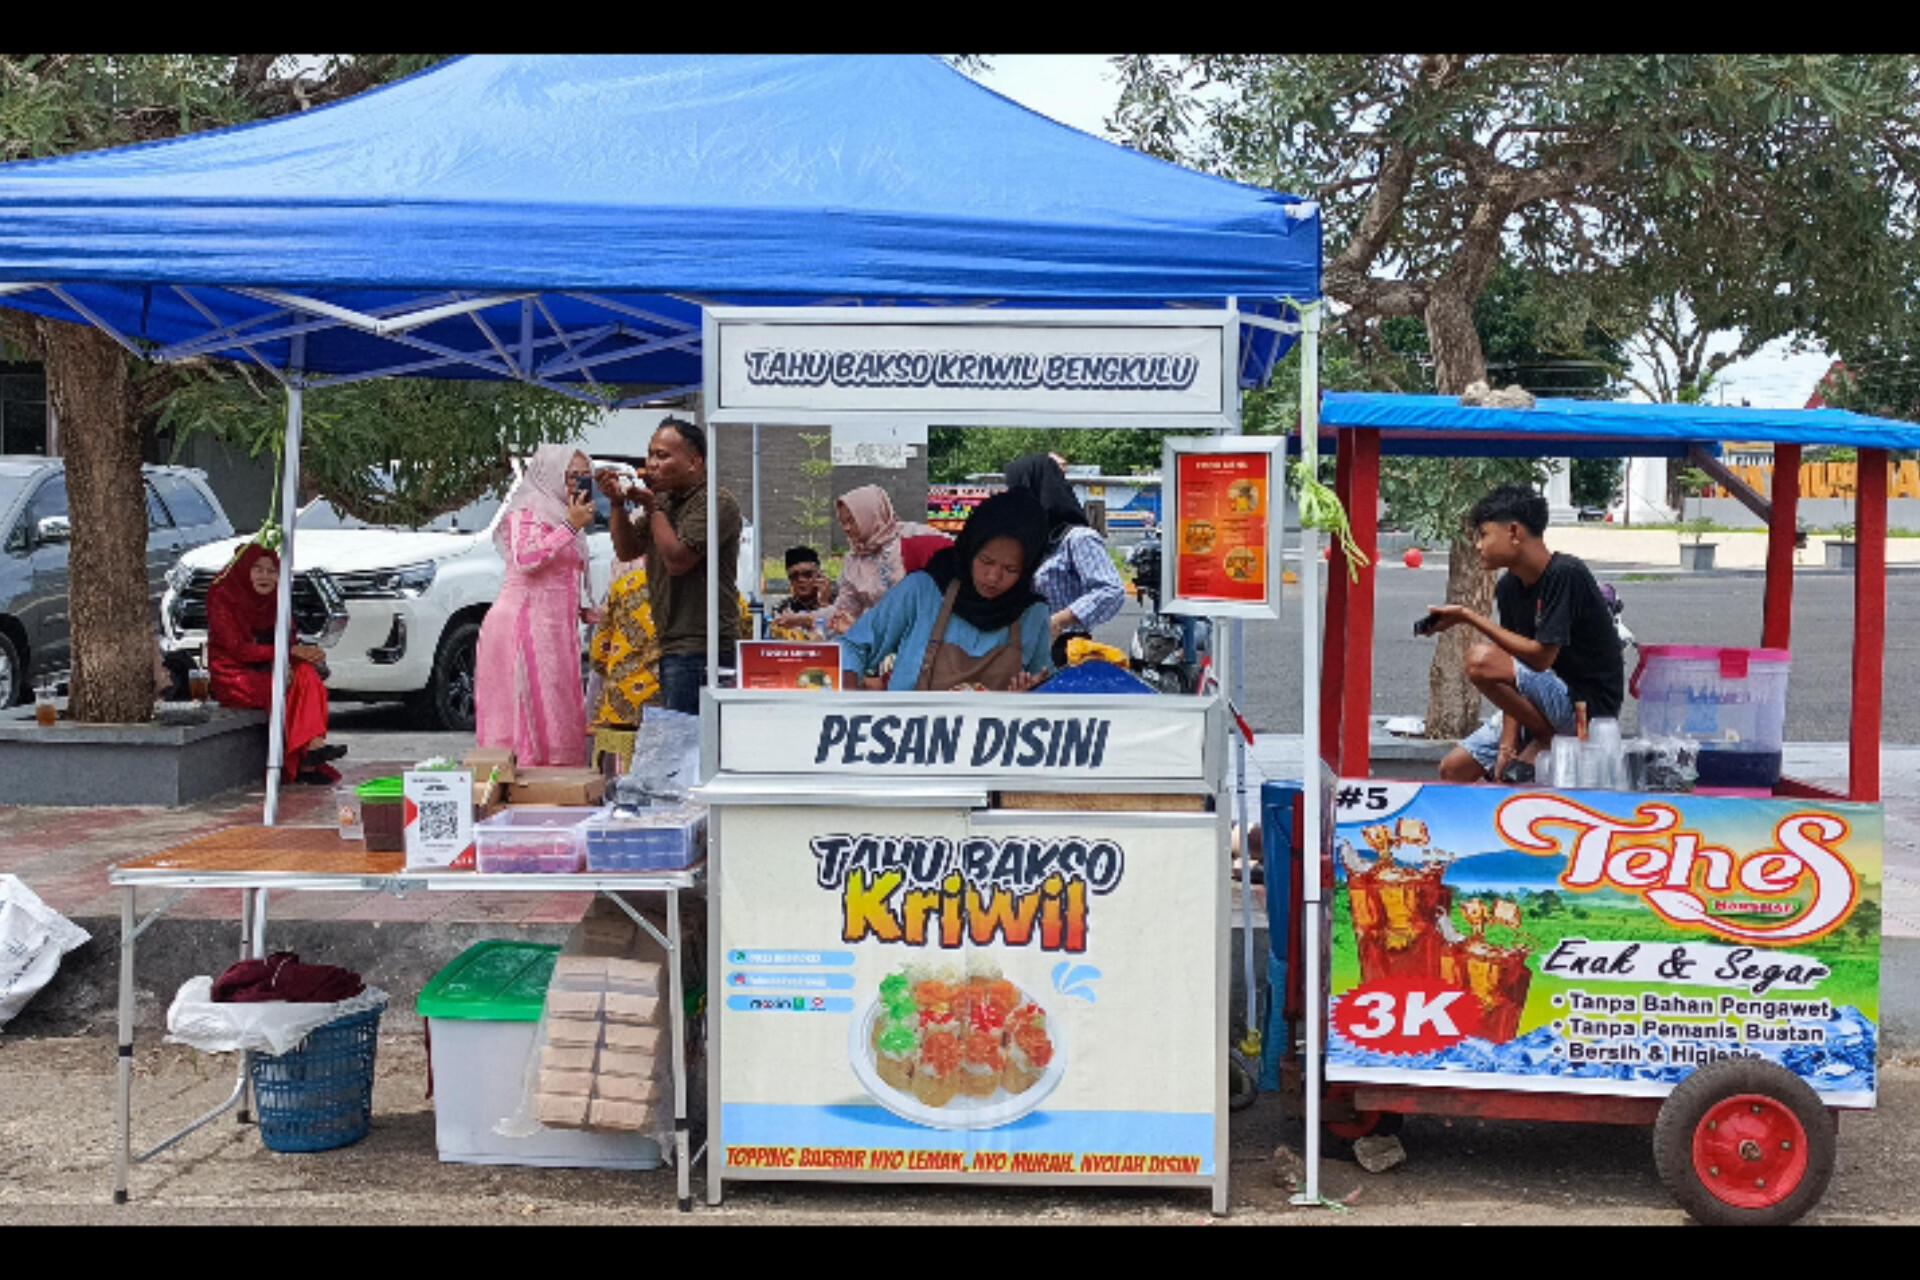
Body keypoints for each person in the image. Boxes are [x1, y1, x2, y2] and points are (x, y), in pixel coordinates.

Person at [1426, 484, 1625, 784]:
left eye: (1484, 535)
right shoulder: (1508, 587)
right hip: (1540, 701)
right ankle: (1538, 736)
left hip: (1586, 712)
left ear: (1514, 533)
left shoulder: (1565, 574)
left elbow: (1540, 658)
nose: (1478, 546)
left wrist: (1468, 616)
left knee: (1480, 660)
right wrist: (1508, 743)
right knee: (1453, 770)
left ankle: (1545, 736)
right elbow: (1511, 668)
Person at [840, 488, 1053, 693]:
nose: (993, 577)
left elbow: (1046, 683)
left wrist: (1031, 696)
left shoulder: (1032, 613)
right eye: (986, 561)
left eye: (1010, 569)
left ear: (1027, 570)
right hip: (913, 727)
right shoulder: (923, 591)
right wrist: (847, 698)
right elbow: (852, 647)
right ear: (970, 549)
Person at [601, 418, 741, 715]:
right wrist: (616, 505)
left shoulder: (717, 502)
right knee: (680, 742)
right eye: (650, 454)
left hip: (705, 645)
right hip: (672, 642)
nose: (651, 464)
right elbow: (627, 550)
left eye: (662, 456)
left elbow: (678, 561)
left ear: (694, 461)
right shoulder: (665, 500)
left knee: (691, 746)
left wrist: (653, 508)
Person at [473, 445, 599, 767]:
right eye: (572, 476)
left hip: (555, 630)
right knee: (525, 712)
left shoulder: (563, 513)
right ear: (551, 473)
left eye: (586, 477)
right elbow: (525, 559)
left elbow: (561, 576)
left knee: (556, 708)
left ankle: (557, 790)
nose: (578, 484)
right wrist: (569, 527)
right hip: (522, 625)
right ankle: (523, 790)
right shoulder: (527, 510)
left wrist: (584, 611)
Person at [205, 541, 344, 784]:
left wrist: (292, 658)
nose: (265, 576)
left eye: (271, 571)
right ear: (244, 570)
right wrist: (285, 654)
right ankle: (303, 762)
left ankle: (313, 747)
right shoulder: (223, 597)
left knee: (307, 675)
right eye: (258, 569)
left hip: (271, 666)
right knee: (284, 688)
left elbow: (288, 637)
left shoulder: (278, 598)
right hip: (234, 674)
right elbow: (237, 650)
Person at [1002, 453, 1126, 668]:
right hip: (1022, 648)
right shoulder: (1031, 541)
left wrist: (1058, 621)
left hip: (1063, 652)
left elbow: (1111, 590)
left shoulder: (1077, 539)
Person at [777, 486, 941, 638]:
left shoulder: (916, 536)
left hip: (931, 635)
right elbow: (845, 611)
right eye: (843, 523)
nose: (846, 529)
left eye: (851, 521)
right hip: (884, 643)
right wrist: (806, 619)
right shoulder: (854, 562)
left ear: (870, 514)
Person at [771, 546, 834, 618]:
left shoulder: (840, 603)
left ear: (819, 576)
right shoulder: (782, 608)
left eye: (807, 574)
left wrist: (824, 605)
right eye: (795, 576)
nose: (801, 580)